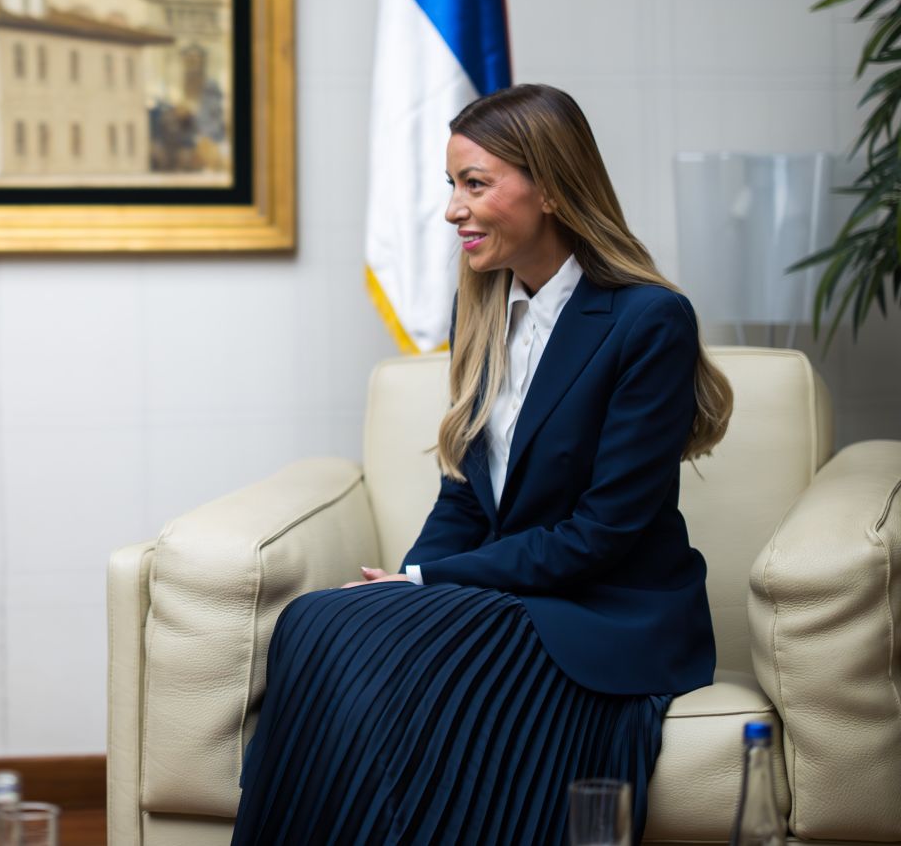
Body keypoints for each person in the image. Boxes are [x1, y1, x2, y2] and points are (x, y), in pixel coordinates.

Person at [232, 84, 732, 845]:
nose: (452, 210)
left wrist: (428, 583)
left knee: (338, 625)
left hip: (606, 611)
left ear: (552, 187)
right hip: (514, 596)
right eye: (451, 184)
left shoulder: (647, 319)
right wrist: (405, 584)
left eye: (475, 183)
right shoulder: (484, 308)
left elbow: (602, 534)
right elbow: (465, 496)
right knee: (316, 620)